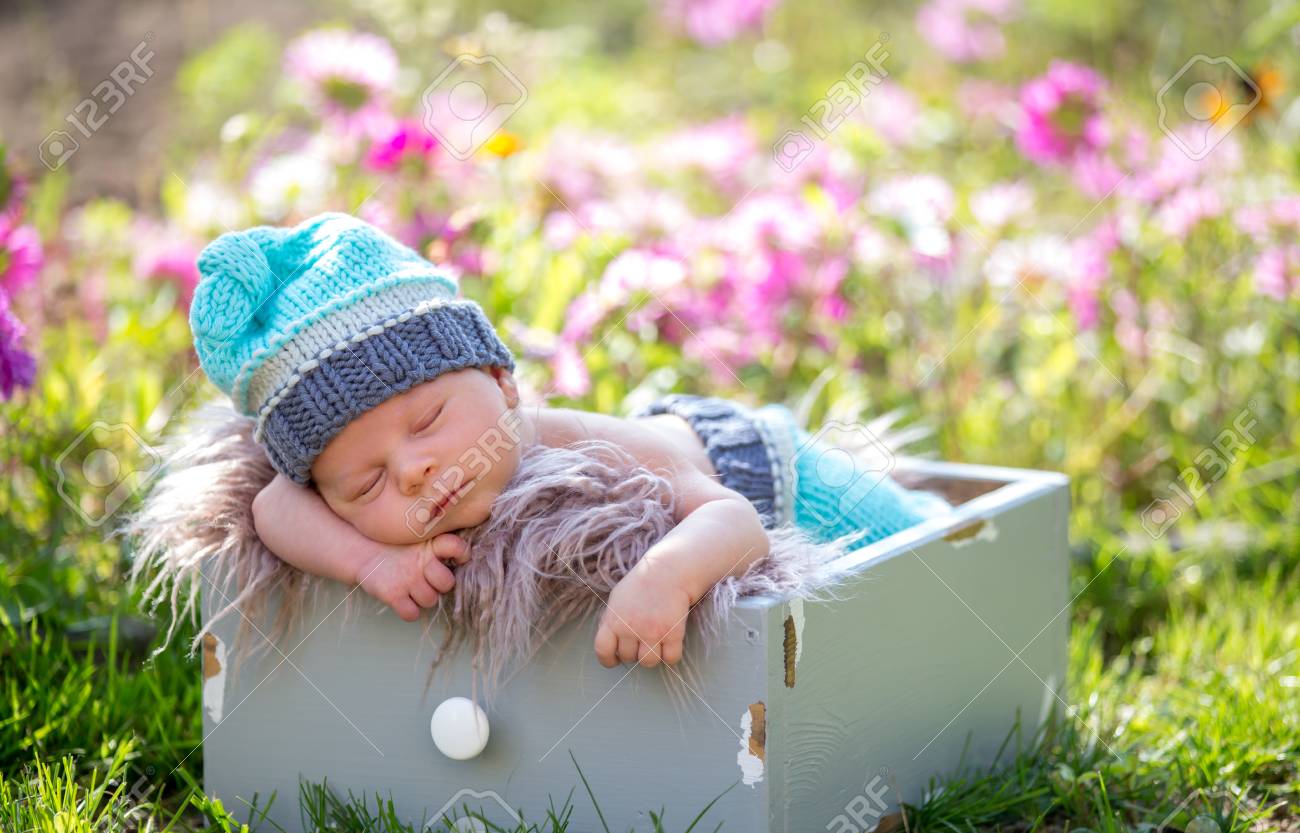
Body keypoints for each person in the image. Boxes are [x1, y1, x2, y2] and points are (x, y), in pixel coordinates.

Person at [189, 213, 944, 671]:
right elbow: (271, 505)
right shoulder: (337, 499)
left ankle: (944, 510)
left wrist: (666, 577)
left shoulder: (579, 442)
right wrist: (370, 561)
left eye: (425, 423)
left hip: (771, 470)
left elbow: (735, 522)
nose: (414, 471)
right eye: (367, 485)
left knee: (935, 546)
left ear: (501, 380)